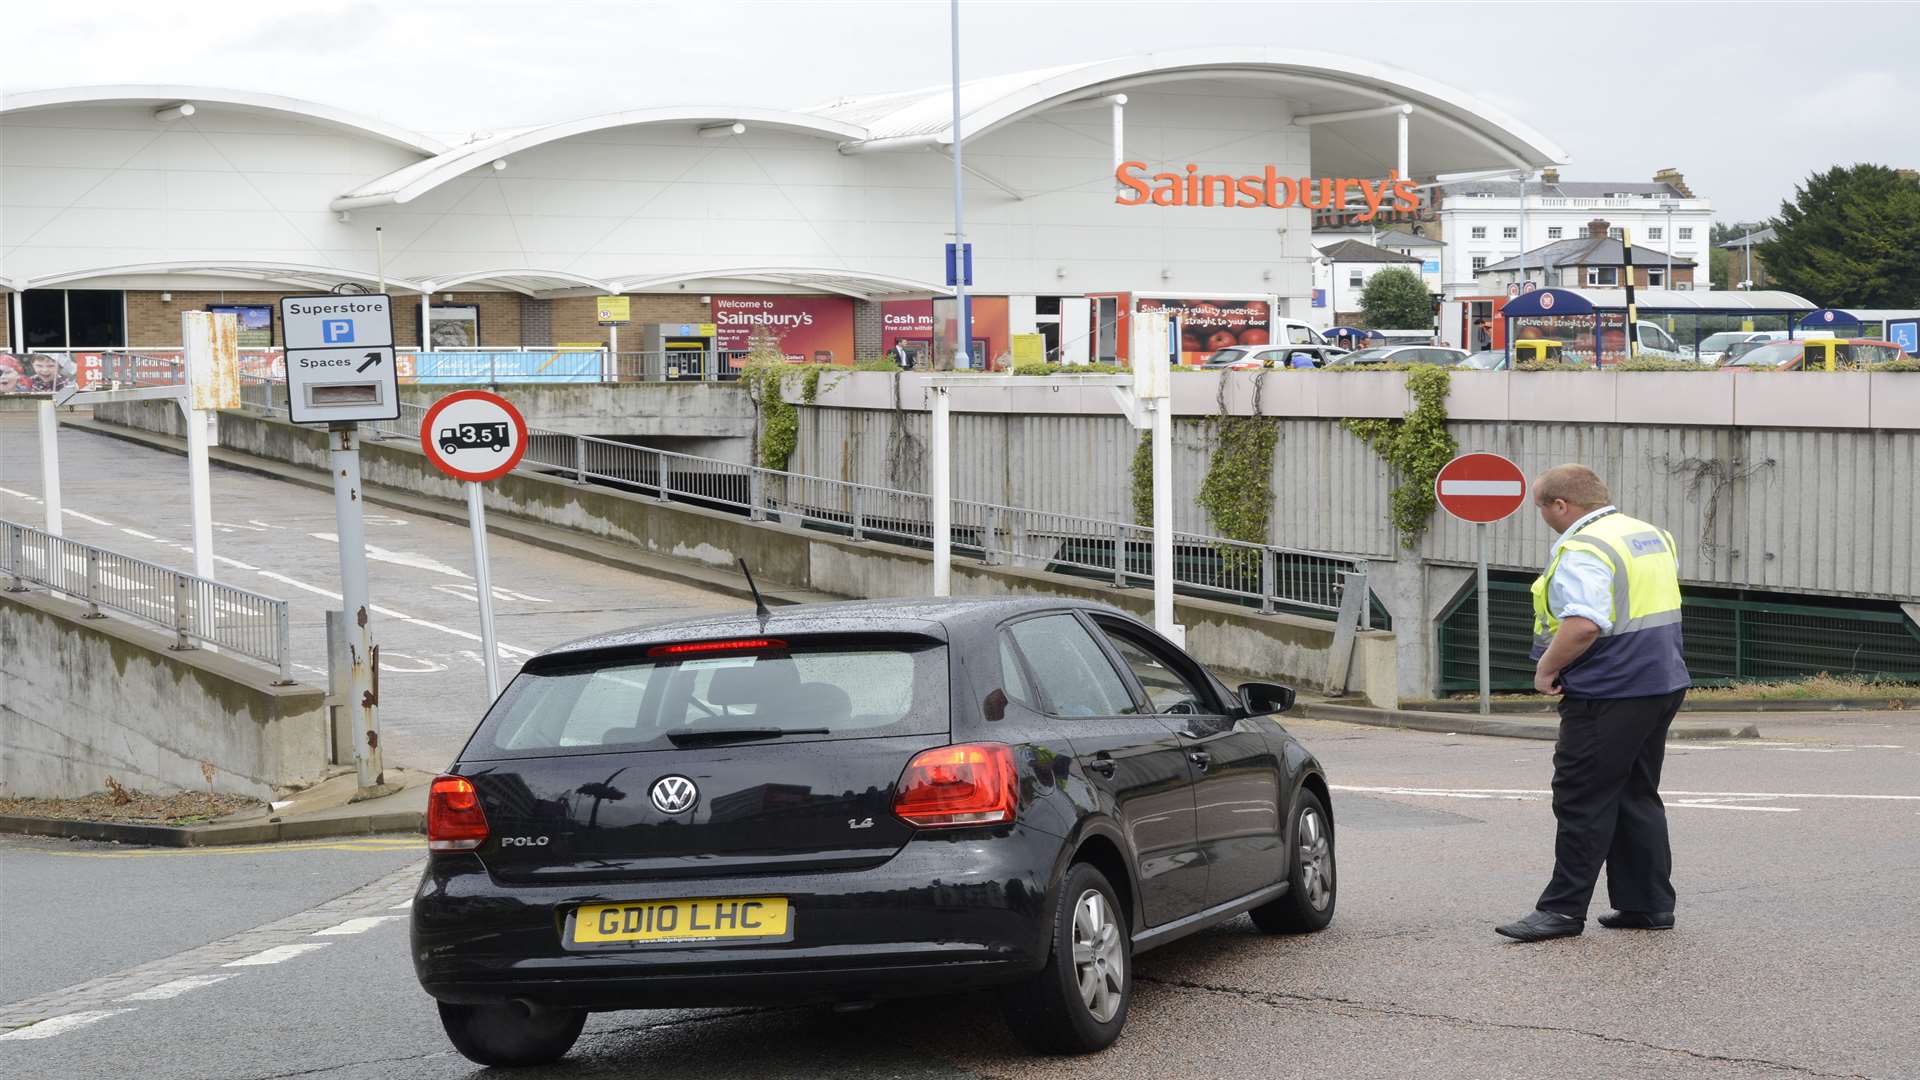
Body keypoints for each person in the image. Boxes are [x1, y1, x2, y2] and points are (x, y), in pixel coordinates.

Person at [1495, 464, 1690, 943]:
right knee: (1635, 793)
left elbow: (1584, 623)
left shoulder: (1585, 548)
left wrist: (1546, 670)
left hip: (1609, 690)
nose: (1541, 515)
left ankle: (1561, 912)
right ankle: (1647, 905)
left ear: (1561, 505)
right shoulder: (1649, 535)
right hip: (1660, 681)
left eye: (1540, 507)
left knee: (1582, 796)